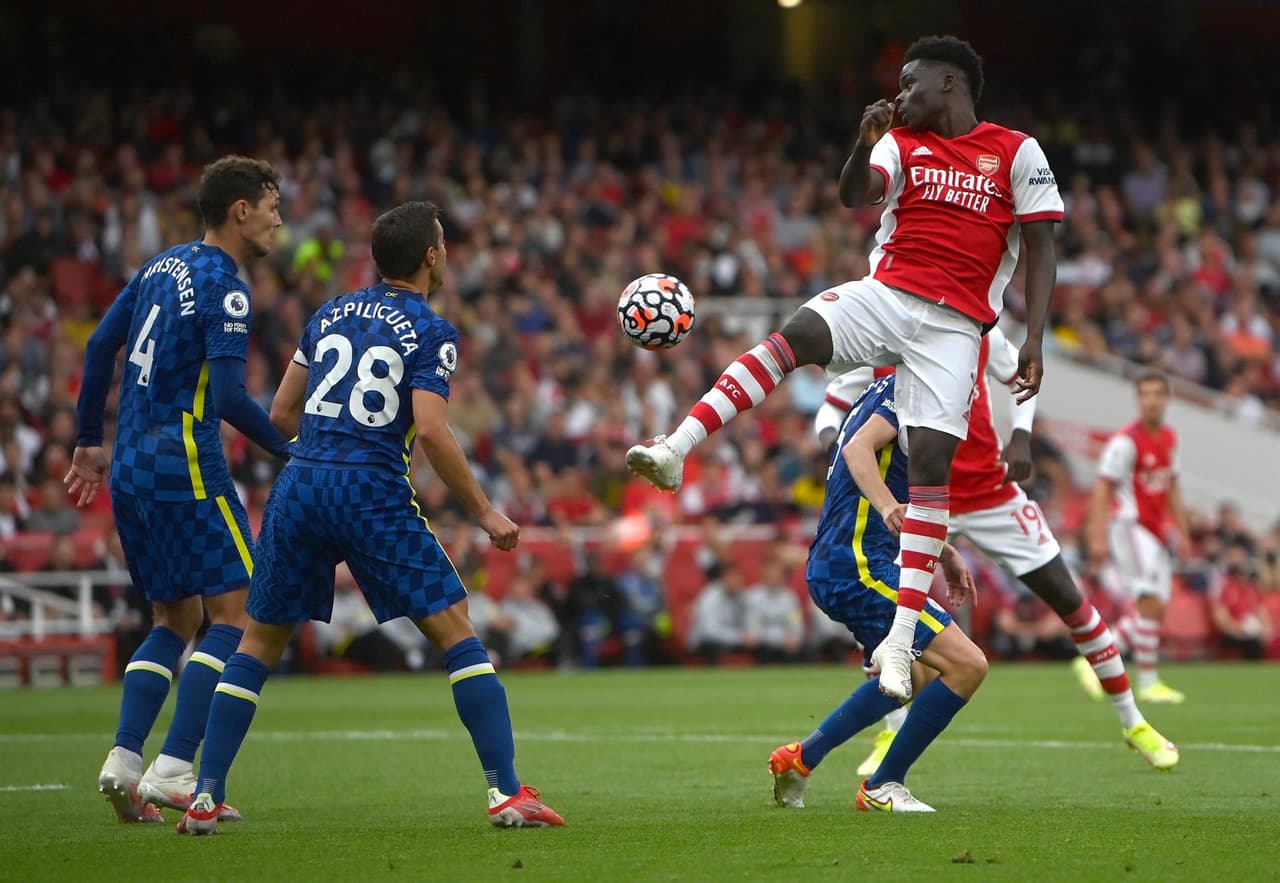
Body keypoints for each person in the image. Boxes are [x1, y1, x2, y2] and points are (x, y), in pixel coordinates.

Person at [627, 35, 1062, 701]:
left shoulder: (1015, 151)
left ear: (949, 83)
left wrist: (1033, 338)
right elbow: (857, 195)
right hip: (888, 293)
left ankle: (898, 639)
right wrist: (864, 141)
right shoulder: (900, 140)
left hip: (956, 326)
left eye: (911, 82)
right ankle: (676, 446)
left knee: (931, 469)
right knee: (795, 333)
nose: (900, 93)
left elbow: (1041, 240)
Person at [179, 202, 562, 834]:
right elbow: (434, 432)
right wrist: (486, 511)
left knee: (259, 639)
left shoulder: (329, 312)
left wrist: (322, 456)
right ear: (432, 256)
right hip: (370, 490)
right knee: (454, 629)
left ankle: (204, 797)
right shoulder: (431, 330)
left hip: (300, 483)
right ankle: (505, 792)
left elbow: (278, 414)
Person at [818, 329, 1178, 775]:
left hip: (989, 494)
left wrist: (1022, 435)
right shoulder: (886, 333)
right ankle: (889, 731)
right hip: (921, 498)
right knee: (889, 621)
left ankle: (1133, 722)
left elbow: (1022, 379)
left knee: (1069, 599)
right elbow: (835, 403)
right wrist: (835, 446)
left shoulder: (979, 334)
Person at [65, 156, 292, 824]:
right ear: (240, 210)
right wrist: (292, 447)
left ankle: (124, 761)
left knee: (174, 619)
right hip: (185, 461)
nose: (281, 217)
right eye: (273, 204)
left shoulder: (162, 265)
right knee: (238, 615)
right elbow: (227, 397)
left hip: (130, 467)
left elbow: (100, 345)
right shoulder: (226, 284)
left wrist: (87, 440)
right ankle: (174, 767)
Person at [769, 374, 985, 813]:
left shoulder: (879, 391)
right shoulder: (908, 390)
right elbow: (855, 451)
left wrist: (942, 551)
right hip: (860, 567)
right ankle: (883, 784)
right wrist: (889, 507)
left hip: (844, 563)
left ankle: (802, 757)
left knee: (918, 675)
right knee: (968, 666)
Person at [1088, 370, 1191, 703]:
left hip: (1154, 531)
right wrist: (1097, 537)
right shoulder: (1126, 442)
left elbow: (1172, 486)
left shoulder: (1169, 439)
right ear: (1138, 399)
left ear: (1167, 399)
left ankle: (1123, 672)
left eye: (1157, 394)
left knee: (1156, 609)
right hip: (1129, 527)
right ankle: (1139, 679)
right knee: (1148, 602)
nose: (1151, 401)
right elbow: (1103, 488)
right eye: (1145, 394)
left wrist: (1184, 531)